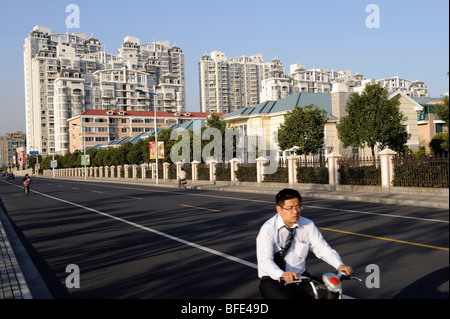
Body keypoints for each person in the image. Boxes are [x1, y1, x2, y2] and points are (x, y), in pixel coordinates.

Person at [256, 188, 353, 299]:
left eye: (298, 207)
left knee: (330, 295)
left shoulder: (307, 225)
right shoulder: (268, 229)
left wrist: (340, 265)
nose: (295, 211)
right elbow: (265, 260)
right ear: (279, 209)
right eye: (290, 208)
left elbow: (322, 248)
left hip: (300, 278)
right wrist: (281, 274)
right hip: (274, 280)